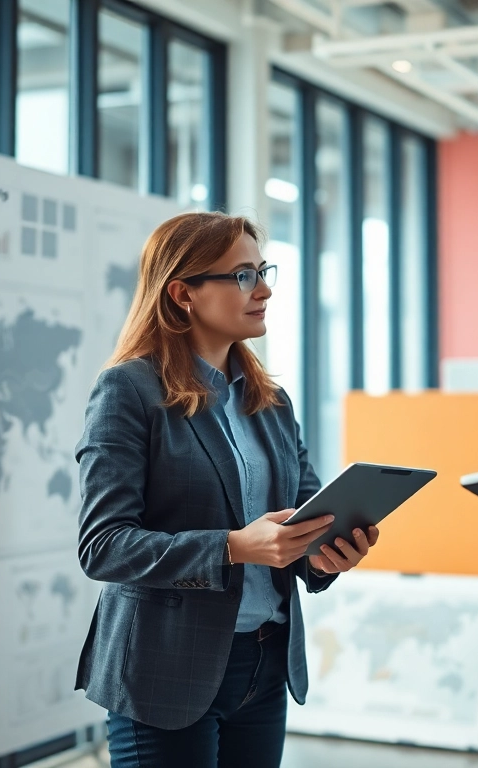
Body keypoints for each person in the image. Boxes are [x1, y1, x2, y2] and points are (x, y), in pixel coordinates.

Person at [73, 212, 380, 768]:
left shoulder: (271, 403)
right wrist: (235, 546)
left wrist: (329, 554)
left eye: (263, 271)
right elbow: (104, 546)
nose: (263, 290)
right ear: (182, 293)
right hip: (165, 668)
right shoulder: (128, 391)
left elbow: (298, 529)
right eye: (242, 276)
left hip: (264, 666)